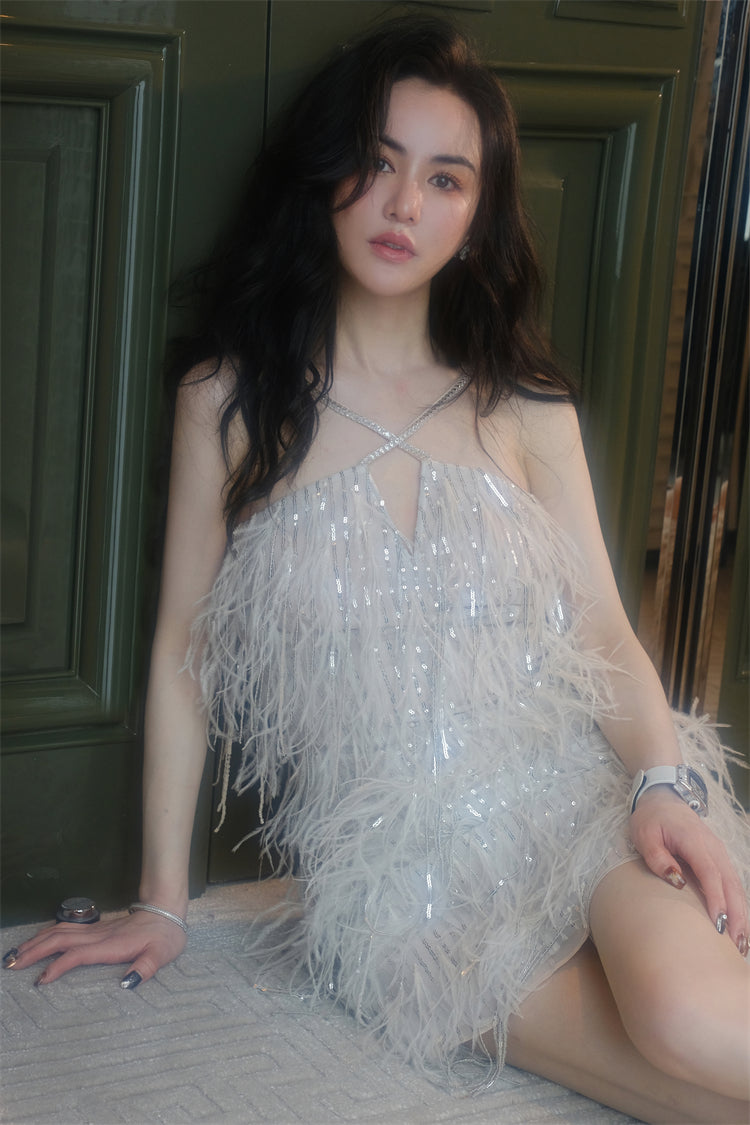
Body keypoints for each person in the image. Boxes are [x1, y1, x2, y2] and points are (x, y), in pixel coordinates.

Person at [5, 16, 749, 1123]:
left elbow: (603, 629)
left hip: (579, 804)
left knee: (689, 1021)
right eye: (379, 162)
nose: (405, 205)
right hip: (408, 894)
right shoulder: (230, 403)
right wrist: (163, 901)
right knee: (696, 1095)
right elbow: (183, 654)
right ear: (327, 177)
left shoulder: (524, 406)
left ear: (479, 217)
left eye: (446, 180)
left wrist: (660, 787)